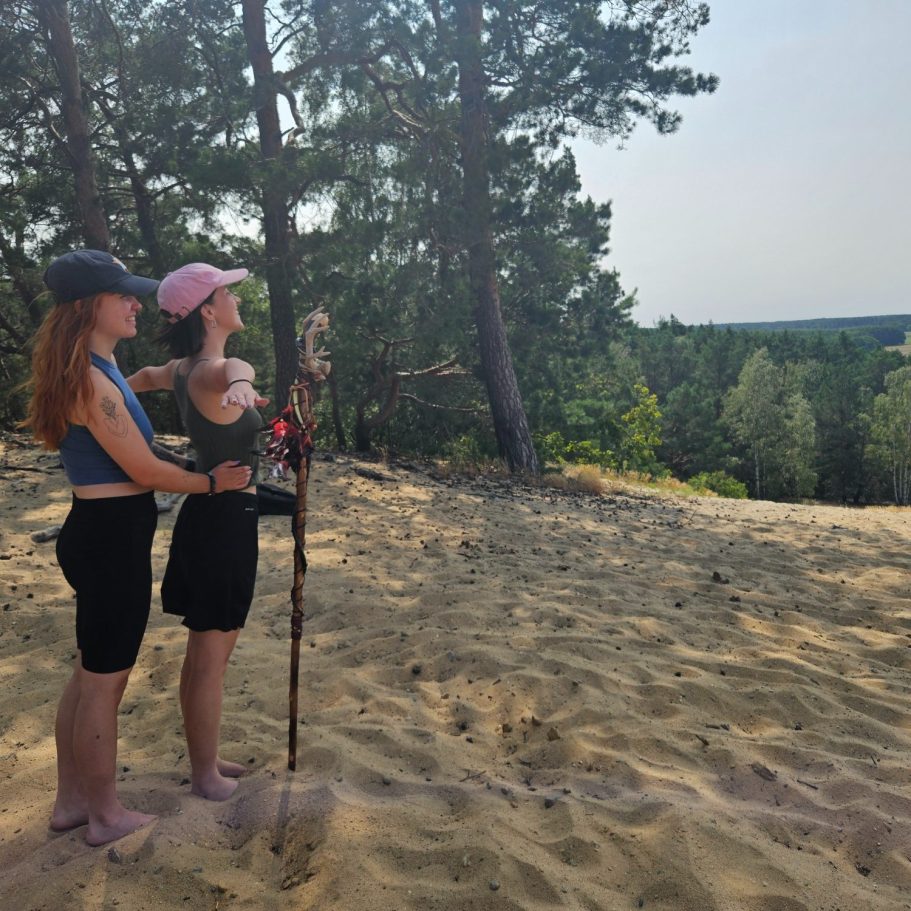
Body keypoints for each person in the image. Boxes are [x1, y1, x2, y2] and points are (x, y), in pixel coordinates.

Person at [21, 250, 252, 846]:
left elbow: (141, 463)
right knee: (104, 681)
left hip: (102, 531)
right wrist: (208, 481)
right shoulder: (93, 380)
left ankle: (72, 802)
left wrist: (187, 465)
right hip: (109, 539)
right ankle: (104, 815)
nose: (134, 304)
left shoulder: (100, 367)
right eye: (120, 295)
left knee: (87, 673)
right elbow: (143, 469)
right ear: (84, 307)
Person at [127, 262, 267, 801]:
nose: (236, 298)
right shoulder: (212, 368)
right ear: (207, 309)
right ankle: (205, 776)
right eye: (227, 291)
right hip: (226, 521)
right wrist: (241, 386)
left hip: (208, 517)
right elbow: (236, 368)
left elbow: (137, 380)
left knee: (200, 655)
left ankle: (204, 759)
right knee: (211, 659)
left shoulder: (181, 368)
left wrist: (98, 398)